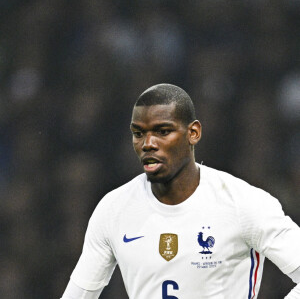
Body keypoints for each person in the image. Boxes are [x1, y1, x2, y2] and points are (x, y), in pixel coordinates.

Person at [61, 84, 300, 299]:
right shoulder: (113, 209)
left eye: (163, 131)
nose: (148, 144)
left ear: (193, 133)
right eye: (138, 133)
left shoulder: (243, 203)